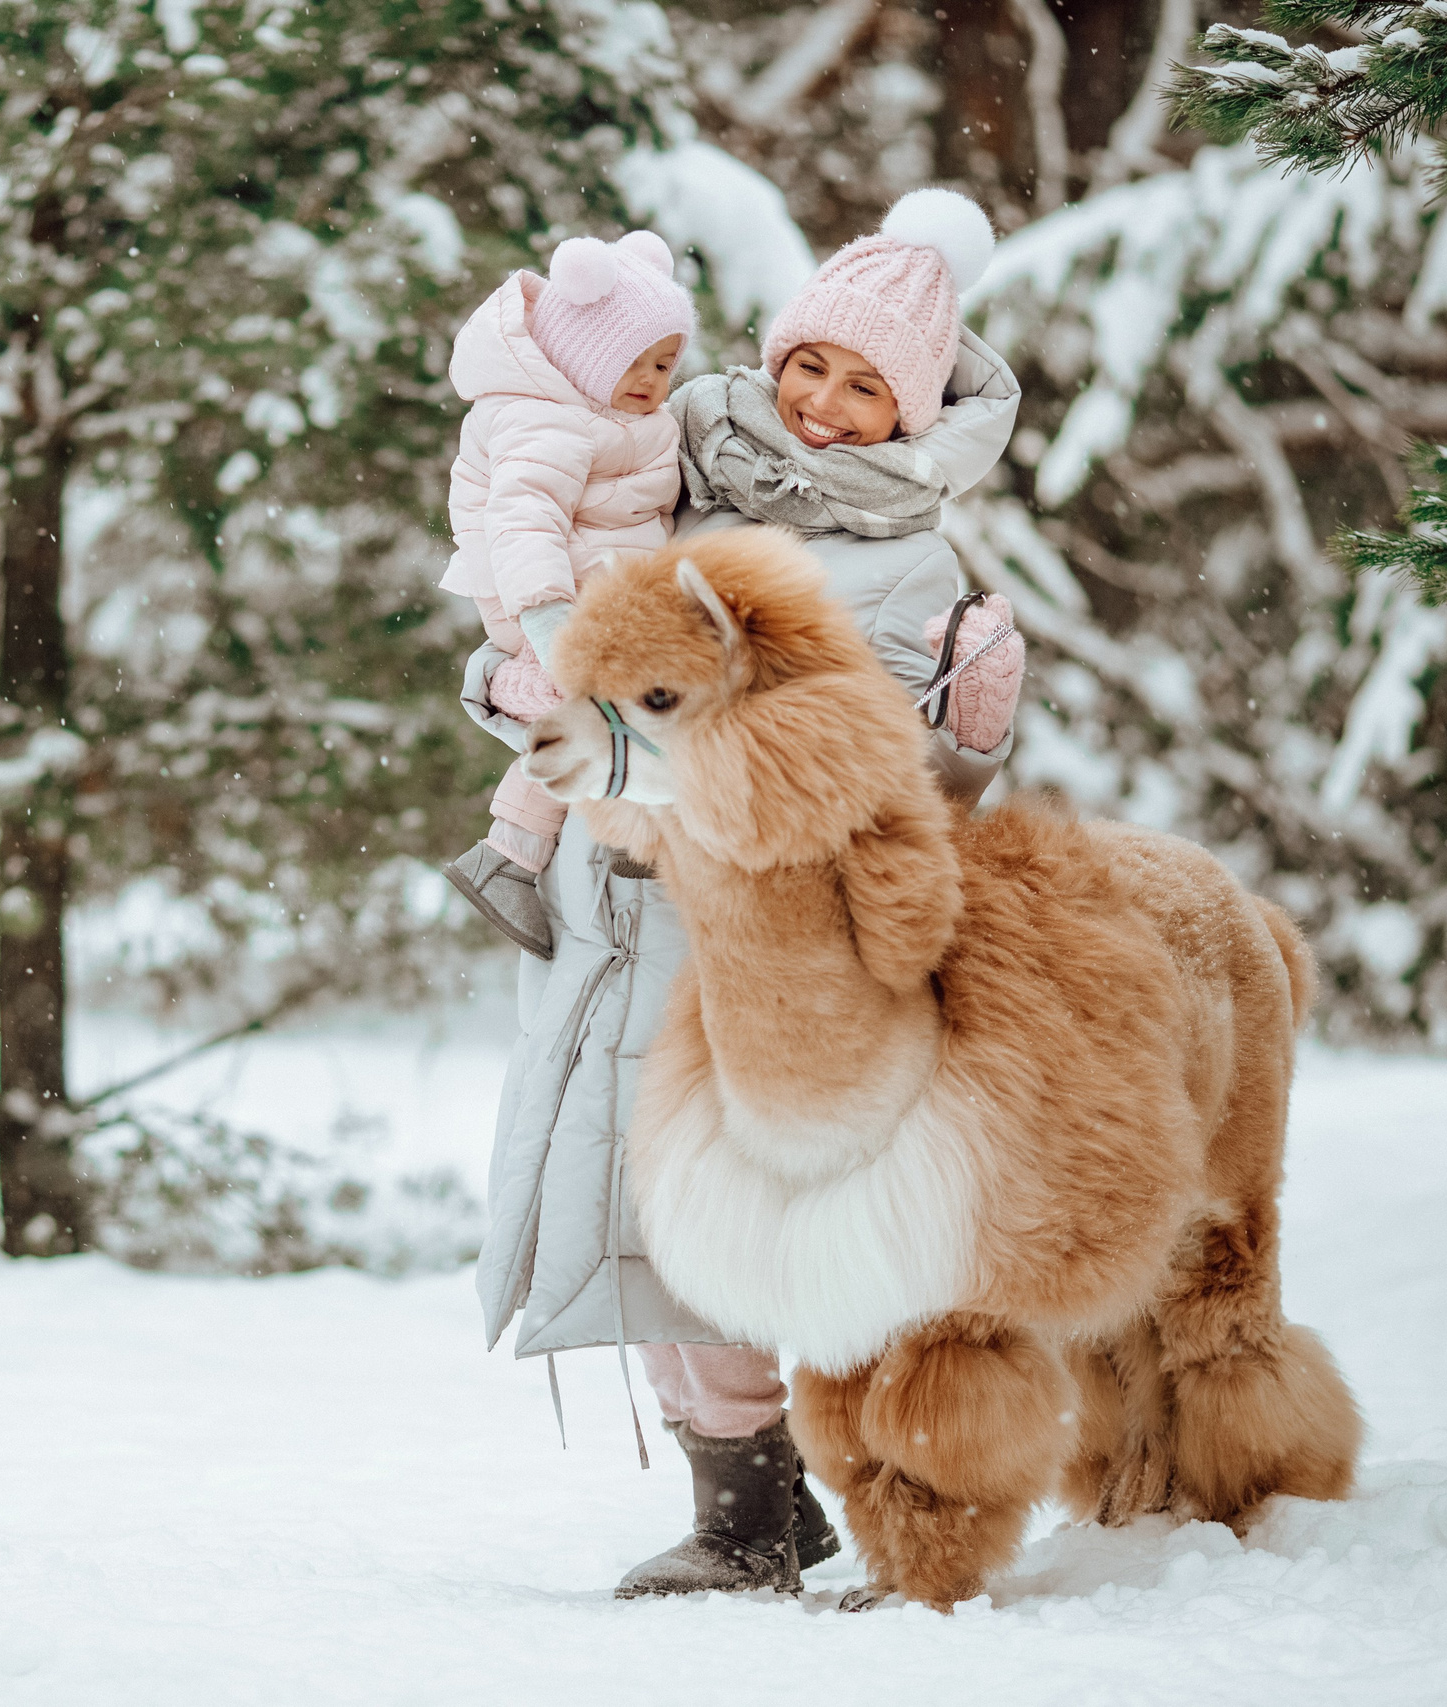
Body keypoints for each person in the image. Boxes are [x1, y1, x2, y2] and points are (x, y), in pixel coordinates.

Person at [467, 189, 1027, 1600]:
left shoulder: (909, 558)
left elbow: (870, 768)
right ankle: (746, 1509)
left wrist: (971, 734)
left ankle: (883, 1496)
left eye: (866, 385)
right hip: (606, 918)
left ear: (916, 410)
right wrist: (506, 685)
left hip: (756, 954)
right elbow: (551, 626)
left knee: (762, 1226)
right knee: (633, 1212)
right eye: (810, 363)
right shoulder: (671, 463)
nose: (825, 404)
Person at [436, 230, 697, 960]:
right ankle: (517, 852)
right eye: (635, 361)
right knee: (597, 707)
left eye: (665, 363)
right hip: (544, 593)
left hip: (598, 588)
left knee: (628, 703)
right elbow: (522, 522)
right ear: (586, 354)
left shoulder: (615, 416)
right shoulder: (543, 417)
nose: (652, 379)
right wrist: (553, 627)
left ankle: (540, 853)